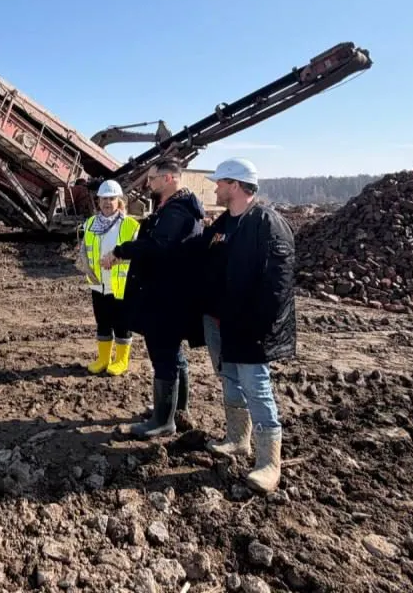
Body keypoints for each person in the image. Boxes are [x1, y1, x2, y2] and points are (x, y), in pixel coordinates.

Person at [194, 158, 295, 493]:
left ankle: (269, 464)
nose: (215, 188)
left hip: (249, 326)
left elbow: (279, 284)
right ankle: (238, 439)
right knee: (230, 379)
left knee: (256, 387)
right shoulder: (225, 222)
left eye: (220, 183)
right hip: (220, 321)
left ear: (235, 186)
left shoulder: (267, 223)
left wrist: (260, 325)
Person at [103, 160, 205, 439]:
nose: (149, 183)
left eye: (153, 178)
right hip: (171, 292)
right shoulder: (177, 208)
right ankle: (176, 410)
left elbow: (157, 245)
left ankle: (162, 421)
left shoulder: (176, 212)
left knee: (163, 355)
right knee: (173, 354)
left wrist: (120, 251)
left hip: (165, 295)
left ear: (169, 178)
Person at [80, 180, 140, 376]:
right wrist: (88, 269)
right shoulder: (90, 224)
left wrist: (115, 260)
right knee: (103, 322)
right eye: (104, 198)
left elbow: (138, 254)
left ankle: (121, 360)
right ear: (98, 201)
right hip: (99, 285)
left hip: (121, 285)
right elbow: (84, 251)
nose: (107, 202)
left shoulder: (130, 225)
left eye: (112, 198)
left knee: (122, 323)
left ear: (119, 200)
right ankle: (103, 359)